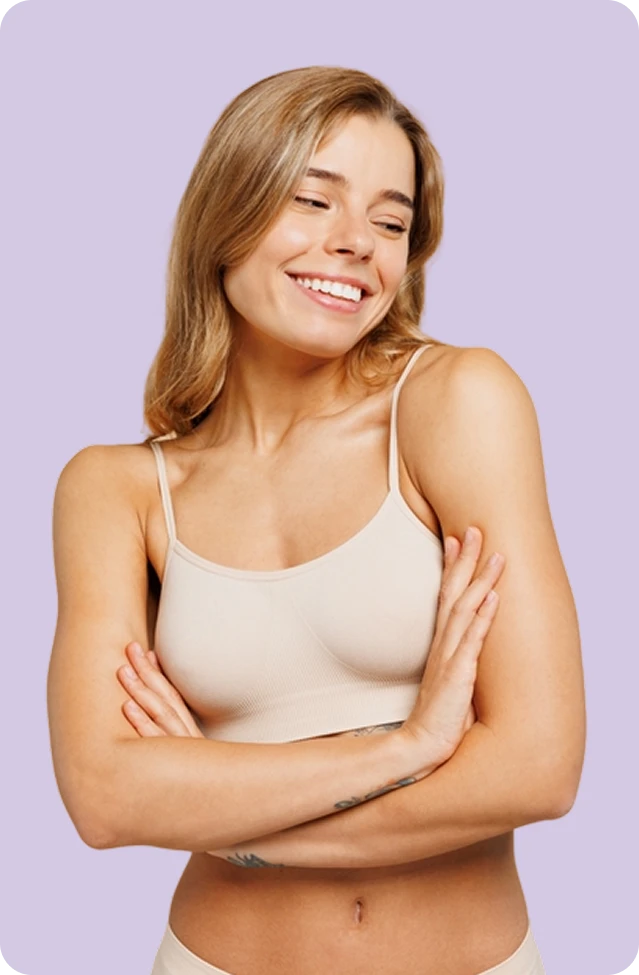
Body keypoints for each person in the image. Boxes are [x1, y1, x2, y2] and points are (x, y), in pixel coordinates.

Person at [47, 65, 585, 975]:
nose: (356, 244)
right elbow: (104, 797)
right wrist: (412, 746)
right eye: (313, 200)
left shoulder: (455, 402)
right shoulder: (115, 490)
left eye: (390, 222)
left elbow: (538, 766)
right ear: (228, 209)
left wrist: (226, 818)